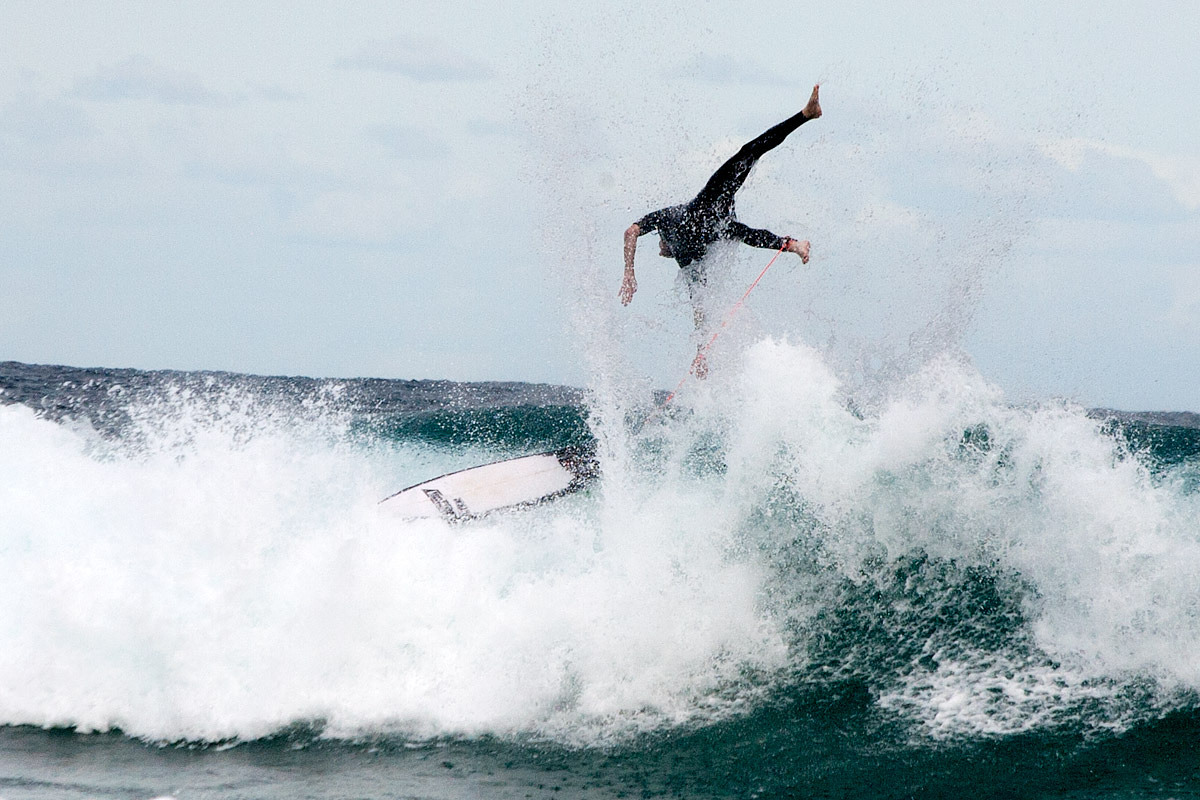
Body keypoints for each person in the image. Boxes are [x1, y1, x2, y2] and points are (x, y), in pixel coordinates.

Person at [619, 85, 822, 375]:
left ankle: (805, 115)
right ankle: (793, 245)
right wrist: (701, 354)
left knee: (748, 156)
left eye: (661, 247)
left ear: (664, 240)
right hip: (716, 218)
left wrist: (629, 272)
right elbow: (699, 306)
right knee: (739, 226)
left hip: (708, 202)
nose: (662, 251)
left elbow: (631, 231)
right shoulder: (687, 260)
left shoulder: (668, 220)